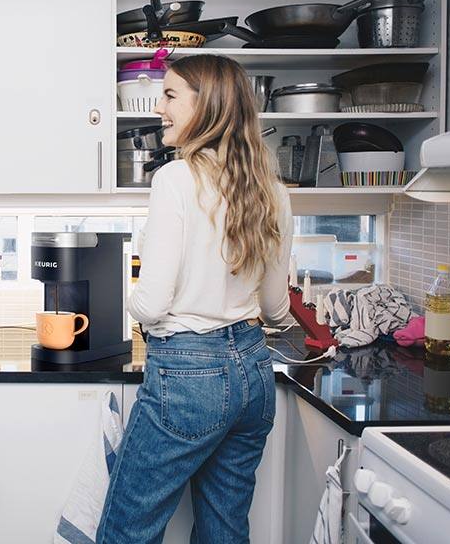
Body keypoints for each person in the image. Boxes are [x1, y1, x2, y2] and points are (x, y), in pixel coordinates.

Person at [97, 55, 292, 544]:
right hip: (253, 372)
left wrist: (130, 305)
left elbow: (153, 302)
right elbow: (274, 306)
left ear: (207, 105)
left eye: (169, 95)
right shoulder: (272, 189)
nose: (159, 107)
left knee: (128, 529)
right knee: (224, 529)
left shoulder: (176, 179)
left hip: (188, 374)